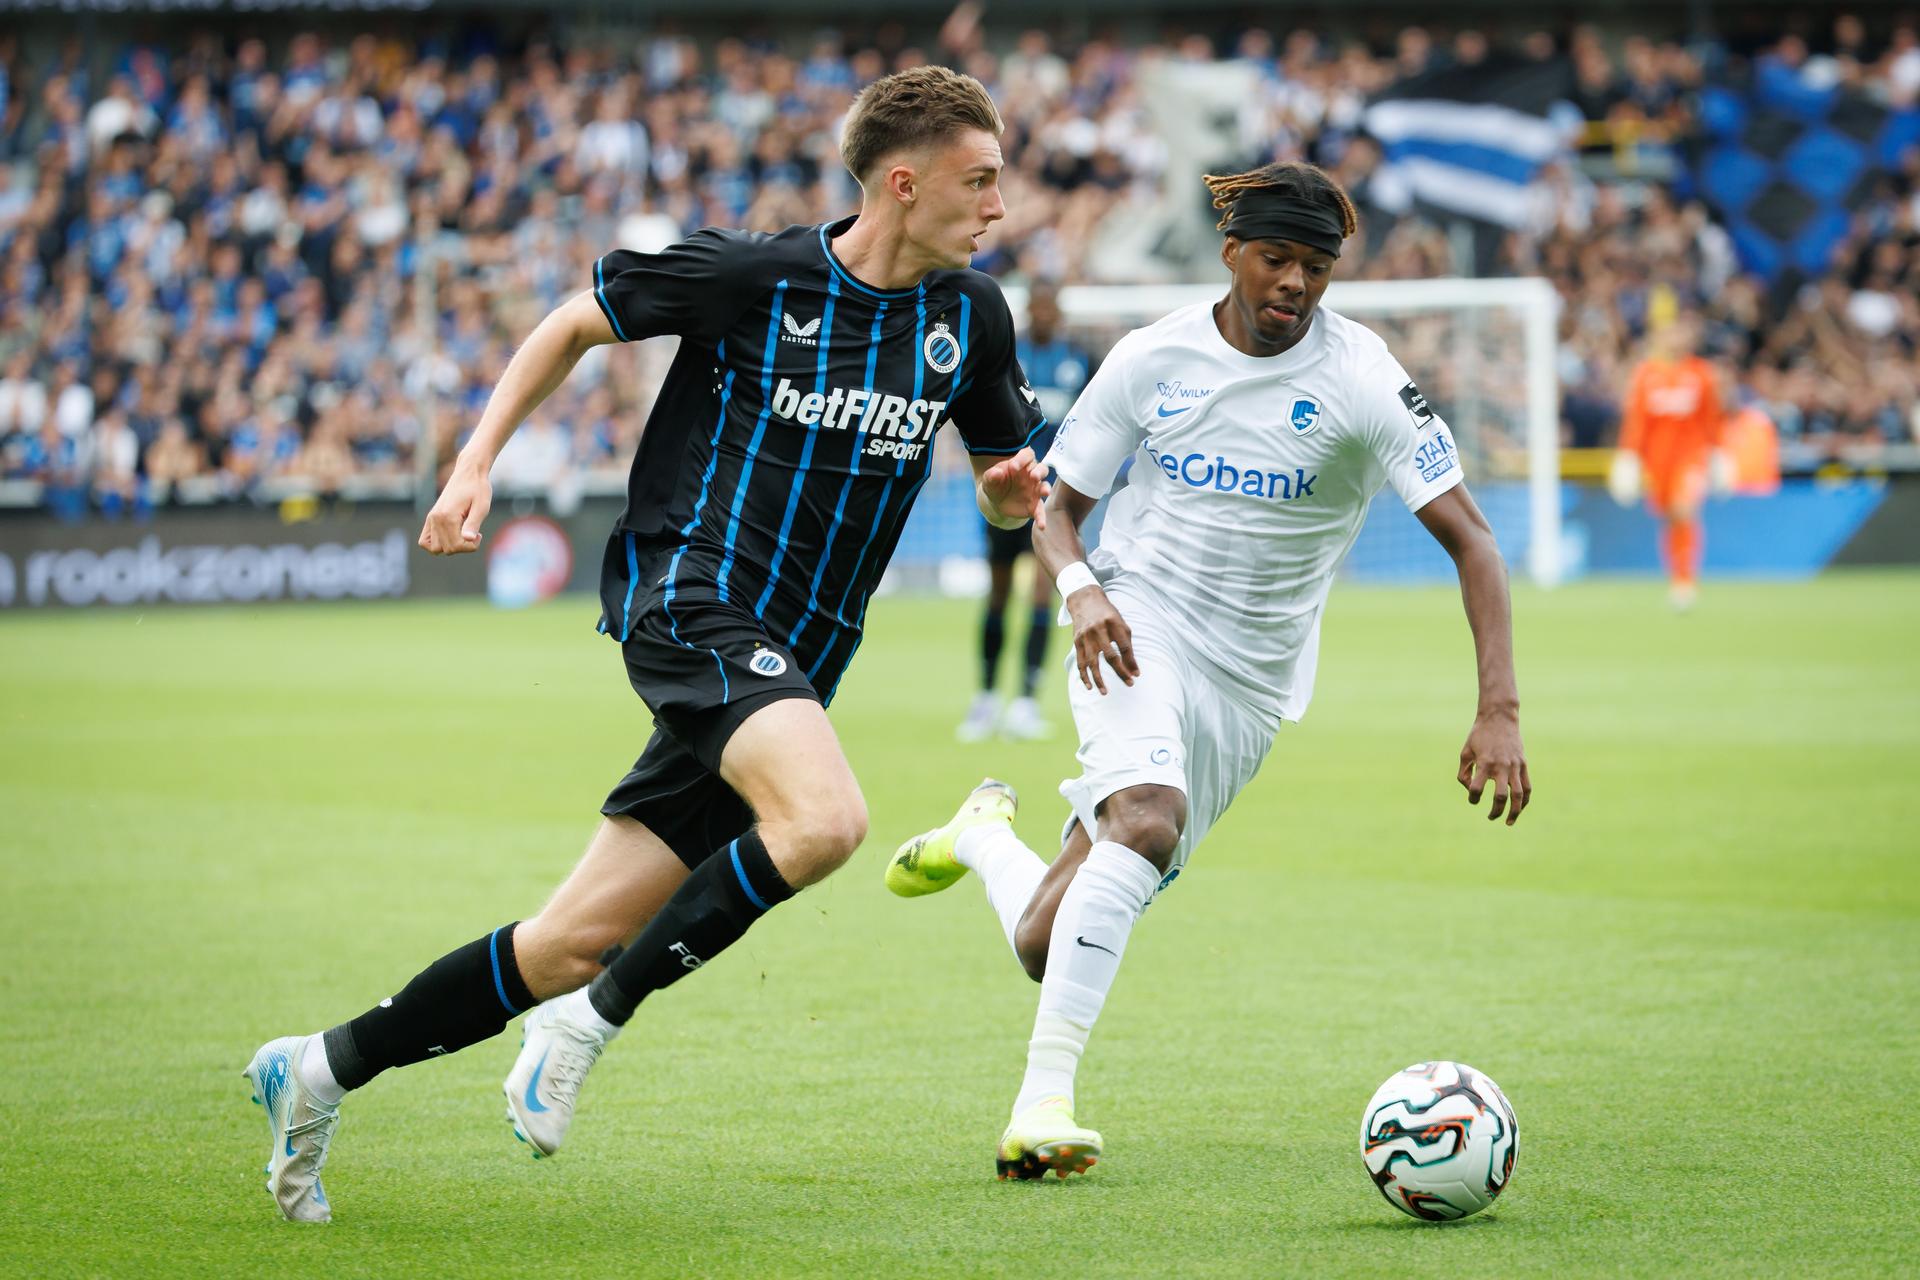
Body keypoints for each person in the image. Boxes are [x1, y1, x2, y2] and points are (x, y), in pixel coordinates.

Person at [242, 66, 1051, 1223]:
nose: (999, 206)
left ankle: (319, 1067)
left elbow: (1000, 496)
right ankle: (589, 1027)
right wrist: (473, 463)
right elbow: (575, 322)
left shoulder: (970, 317)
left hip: (800, 661)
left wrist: (1014, 490)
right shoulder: (753, 276)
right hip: (693, 596)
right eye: (980, 182)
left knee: (568, 940)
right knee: (824, 821)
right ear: (903, 182)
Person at [884, 161, 1531, 1180]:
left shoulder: (1361, 377)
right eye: (1278, 259)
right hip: (1134, 622)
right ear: (1233, 253)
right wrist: (1083, 591)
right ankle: (1040, 1107)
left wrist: (1499, 707)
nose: (1296, 284)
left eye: (1317, 268)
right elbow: (1056, 506)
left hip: (1251, 683)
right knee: (1146, 815)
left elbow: (1476, 543)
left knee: (1049, 943)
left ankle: (984, 839)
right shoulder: (1153, 359)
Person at [958, 281, 1095, 742]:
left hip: (1052, 501)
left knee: (1041, 592)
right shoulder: (1009, 362)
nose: (1043, 315)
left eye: (1049, 308)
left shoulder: (1078, 360)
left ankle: (1026, 702)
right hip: (1009, 493)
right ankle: (986, 697)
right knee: (997, 594)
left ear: (1058, 313)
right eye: (1036, 308)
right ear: (1027, 312)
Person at [1609, 312, 1729, 610]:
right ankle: (1676, 575)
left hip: (1690, 458)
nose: (1676, 339)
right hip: (1657, 461)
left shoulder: (1702, 374)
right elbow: (1637, 422)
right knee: (1670, 517)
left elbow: (1711, 419)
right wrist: (1628, 457)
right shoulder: (1646, 375)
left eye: (1682, 333)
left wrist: (1717, 454)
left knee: (1683, 509)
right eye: (1671, 333)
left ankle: (1685, 581)